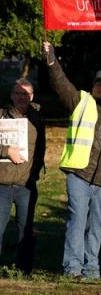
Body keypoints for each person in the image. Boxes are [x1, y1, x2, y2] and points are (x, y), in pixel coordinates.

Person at [44, 41, 101, 279]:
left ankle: (91, 268)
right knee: (77, 220)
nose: (100, 87)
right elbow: (61, 83)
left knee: (96, 227)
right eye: (97, 82)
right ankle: (72, 268)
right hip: (80, 175)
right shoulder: (81, 101)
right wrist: (51, 59)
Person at [0, 80, 44, 273]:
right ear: (11, 95)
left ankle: (24, 270)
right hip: (2, 184)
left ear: (32, 97)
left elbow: (41, 149)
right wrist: (5, 150)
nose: (21, 97)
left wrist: (34, 174)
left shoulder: (37, 119)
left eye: (26, 94)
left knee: (25, 230)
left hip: (26, 185)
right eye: (18, 93)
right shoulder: (2, 115)